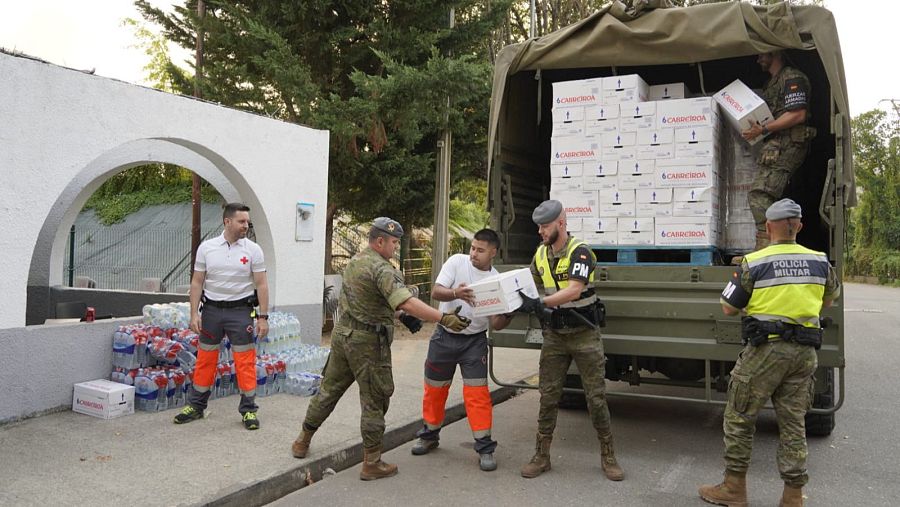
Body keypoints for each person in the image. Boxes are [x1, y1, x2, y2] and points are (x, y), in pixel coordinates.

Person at [291, 217, 472, 481]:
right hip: (368, 344)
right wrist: (443, 318)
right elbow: (408, 302)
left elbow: (368, 301)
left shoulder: (355, 262)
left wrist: (397, 316)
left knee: (328, 391)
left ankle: (302, 441)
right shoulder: (383, 269)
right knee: (375, 400)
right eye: (394, 242)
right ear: (380, 241)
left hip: (344, 336)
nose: (396, 247)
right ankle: (372, 462)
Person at [699, 198, 840, 507]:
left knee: (739, 416)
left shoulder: (755, 262)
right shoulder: (819, 261)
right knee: (793, 423)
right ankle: (792, 497)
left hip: (766, 351)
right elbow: (827, 302)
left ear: (768, 227)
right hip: (804, 354)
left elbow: (727, 307)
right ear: (799, 227)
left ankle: (734, 488)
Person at [515, 199, 624, 481]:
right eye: (539, 226)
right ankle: (541, 455)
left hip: (584, 335)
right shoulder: (539, 254)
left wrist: (541, 302)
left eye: (545, 226)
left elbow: (575, 290)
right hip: (554, 337)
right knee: (548, 397)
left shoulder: (581, 252)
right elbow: (527, 283)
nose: (540, 231)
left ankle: (608, 455)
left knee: (596, 398)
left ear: (561, 224)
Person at [409, 228, 514, 472]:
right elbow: (435, 292)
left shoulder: (496, 281)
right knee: (434, 389)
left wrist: (510, 312)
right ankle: (429, 435)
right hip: (443, 337)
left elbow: (497, 323)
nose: (473, 254)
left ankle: (485, 447)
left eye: (480, 250)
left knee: (477, 395)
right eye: (472, 248)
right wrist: (457, 293)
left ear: (493, 253)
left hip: (474, 342)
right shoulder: (457, 263)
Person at [174, 203, 269, 430]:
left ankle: (248, 410)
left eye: (247, 221)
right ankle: (196, 406)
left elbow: (262, 284)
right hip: (212, 312)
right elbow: (197, 282)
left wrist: (262, 317)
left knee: (244, 362)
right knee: (205, 359)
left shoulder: (253, 250)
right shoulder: (207, 248)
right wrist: (194, 313)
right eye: (241, 221)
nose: (246, 225)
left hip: (240, 312)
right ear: (227, 221)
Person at [742, 50, 816, 251]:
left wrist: (764, 129)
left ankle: (767, 251)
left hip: (788, 143)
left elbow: (797, 114)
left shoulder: (792, 77)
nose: (758, 59)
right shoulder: (772, 83)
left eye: (761, 54)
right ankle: (767, 248)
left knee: (759, 194)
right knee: (762, 195)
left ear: (775, 53)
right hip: (776, 144)